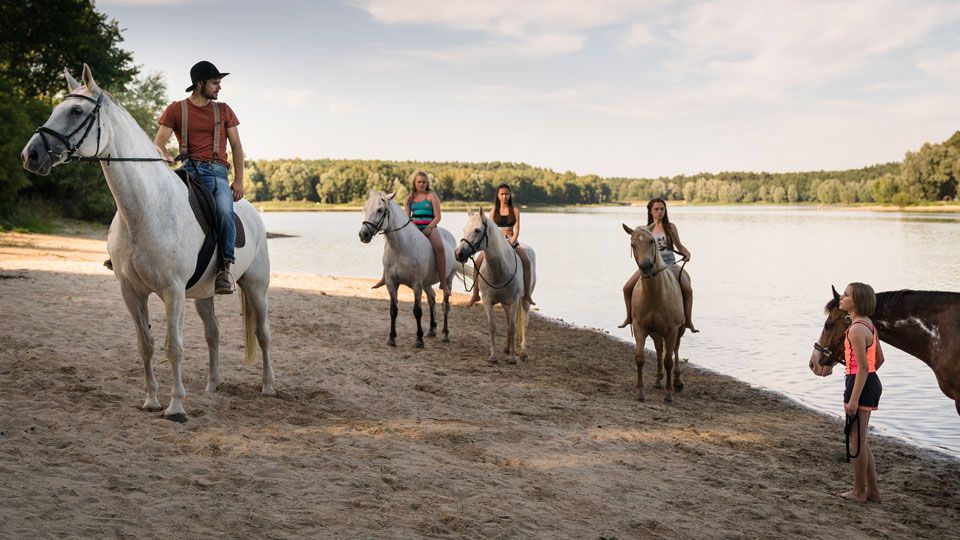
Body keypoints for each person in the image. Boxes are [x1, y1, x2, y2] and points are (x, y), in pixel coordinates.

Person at [154, 61, 244, 294]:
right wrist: (165, 154)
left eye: (219, 83)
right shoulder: (175, 109)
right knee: (153, 196)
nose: (219, 88)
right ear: (200, 83)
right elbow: (158, 143)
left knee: (225, 211)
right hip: (187, 171)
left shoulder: (224, 110)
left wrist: (239, 180)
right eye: (215, 83)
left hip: (217, 173)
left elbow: (236, 146)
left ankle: (225, 268)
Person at [618, 198, 697, 332]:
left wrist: (687, 253)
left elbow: (679, 245)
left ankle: (688, 320)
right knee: (626, 288)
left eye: (662, 209)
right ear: (650, 211)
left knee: (688, 290)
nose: (660, 212)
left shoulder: (670, 227)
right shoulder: (644, 230)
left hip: (669, 264)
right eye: (656, 209)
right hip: (650, 265)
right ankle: (630, 317)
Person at [837, 282, 884, 503]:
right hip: (869, 382)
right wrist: (867, 379)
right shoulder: (869, 325)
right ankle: (873, 492)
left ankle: (859, 492)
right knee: (861, 440)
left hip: (859, 383)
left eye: (846, 295)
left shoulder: (856, 329)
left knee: (856, 441)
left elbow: (863, 367)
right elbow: (879, 360)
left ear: (857, 302)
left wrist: (854, 397)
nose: (841, 298)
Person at [372, 172, 450, 294]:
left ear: (427, 183)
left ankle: (443, 284)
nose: (421, 184)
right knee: (388, 245)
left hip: (429, 227)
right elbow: (407, 217)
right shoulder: (409, 198)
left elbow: (438, 217)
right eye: (419, 182)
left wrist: (430, 227)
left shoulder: (431, 196)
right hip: (413, 228)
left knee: (440, 248)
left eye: (424, 182)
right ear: (414, 183)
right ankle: (384, 277)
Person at [466, 184, 535, 306]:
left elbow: (517, 230)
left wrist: (511, 242)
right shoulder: (493, 212)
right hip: (496, 242)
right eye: (502, 194)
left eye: (507, 194)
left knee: (526, 261)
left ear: (510, 195)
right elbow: (491, 230)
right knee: (477, 262)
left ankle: (527, 295)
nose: (504, 196)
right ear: (498, 196)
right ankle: (475, 294)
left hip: (511, 240)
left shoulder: (514, 211)